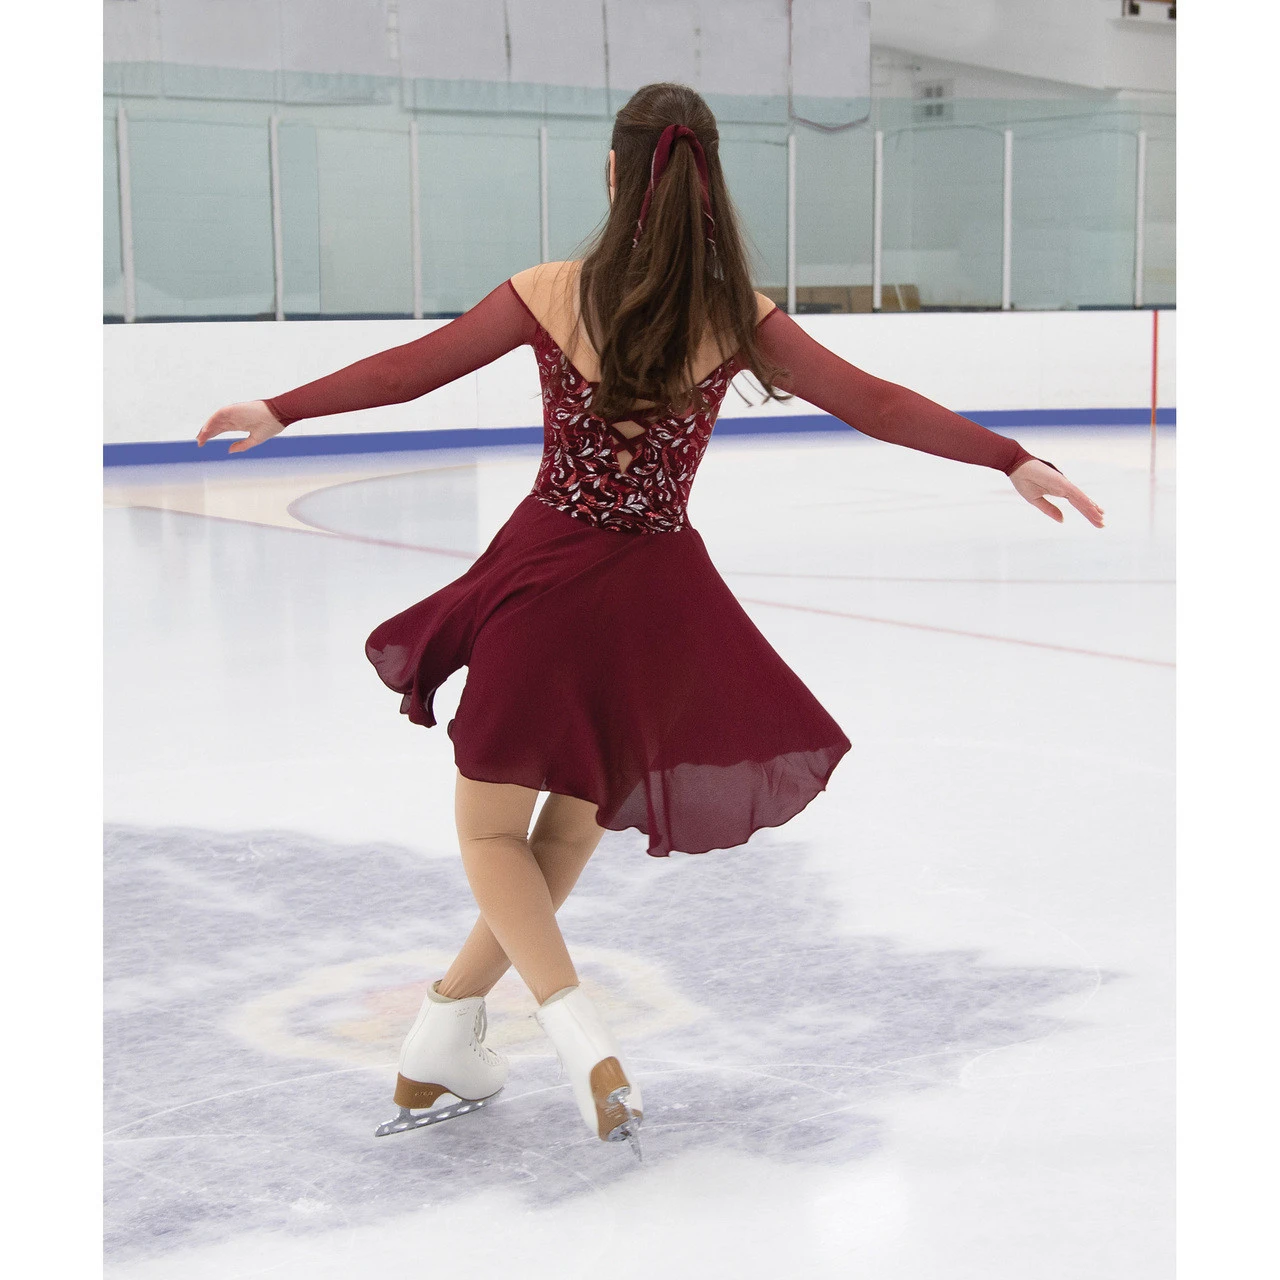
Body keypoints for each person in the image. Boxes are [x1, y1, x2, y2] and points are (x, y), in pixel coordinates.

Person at [197, 82, 1104, 1161]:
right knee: (566, 827)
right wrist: (1007, 456)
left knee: (491, 833)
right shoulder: (736, 316)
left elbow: (409, 372)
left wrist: (283, 407)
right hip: (654, 603)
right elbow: (876, 402)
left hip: (546, 574)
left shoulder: (551, 291)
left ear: (614, 171)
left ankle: (580, 1037)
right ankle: (444, 1028)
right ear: (709, 182)